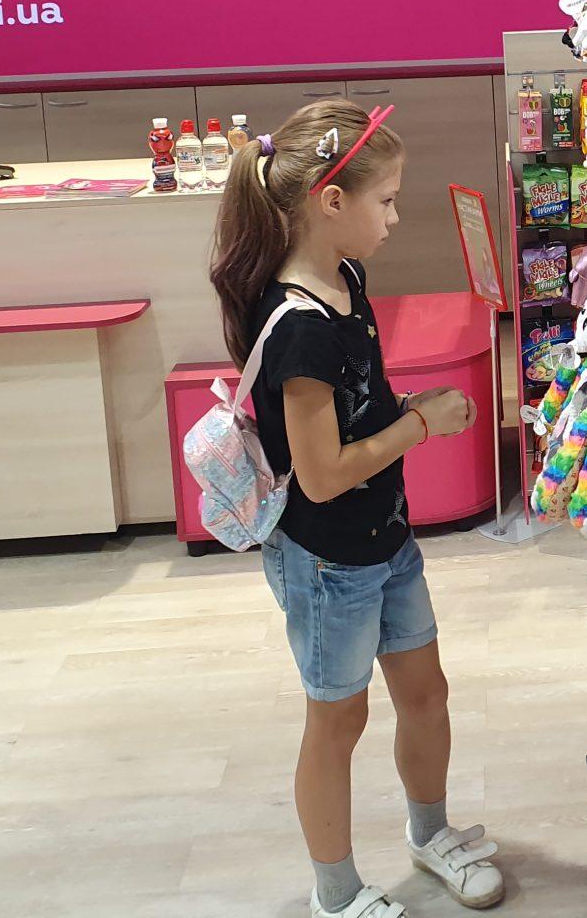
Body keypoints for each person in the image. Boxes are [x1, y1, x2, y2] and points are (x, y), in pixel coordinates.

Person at [209, 98, 504, 918]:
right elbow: (322, 475)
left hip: (387, 540)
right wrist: (419, 425)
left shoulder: (347, 278)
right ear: (331, 201)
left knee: (426, 692)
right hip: (327, 561)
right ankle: (335, 893)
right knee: (337, 722)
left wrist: (404, 408)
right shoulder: (298, 327)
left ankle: (429, 833)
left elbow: (357, 408)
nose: (395, 218)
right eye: (387, 201)